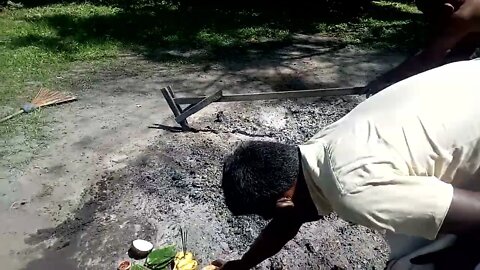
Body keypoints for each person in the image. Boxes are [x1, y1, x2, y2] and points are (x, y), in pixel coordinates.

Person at [213, 58, 480, 269]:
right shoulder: (319, 147)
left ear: (284, 204)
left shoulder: (353, 192)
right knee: (414, 241)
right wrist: (243, 264)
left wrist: (461, 254)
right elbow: (287, 220)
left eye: (268, 215)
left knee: (413, 265)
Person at [364, 0, 480, 96]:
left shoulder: (462, 18)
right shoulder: (463, 8)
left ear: (447, 8)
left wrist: (387, 79)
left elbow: (429, 57)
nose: (427, 19)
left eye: (429, 14)